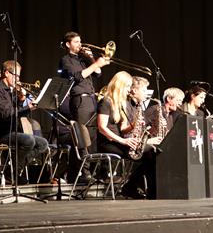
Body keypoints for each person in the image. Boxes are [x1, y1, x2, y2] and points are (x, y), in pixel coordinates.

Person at [0, 60, 48, 184]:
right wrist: (27, 108)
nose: (18, 79)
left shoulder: (8, 90)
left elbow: (13, 109)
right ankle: (12, 174)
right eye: (16, 76)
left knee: (43, 144)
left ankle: (11, 171)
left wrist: (21, 99)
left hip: (9, 130)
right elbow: (7, 115)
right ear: (7, 73)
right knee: (29, 140)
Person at [58, 31, 110, 182]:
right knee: (83, 136)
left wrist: (91, 58)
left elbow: (98, 73)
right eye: (76, 42)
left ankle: (79, 173)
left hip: (91, 99)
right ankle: (83, 173)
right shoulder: (66, 60)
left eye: (80, 41)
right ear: (68, 44)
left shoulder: (83, 59)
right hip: (80, 100)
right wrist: (95, 64)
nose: (80, 45)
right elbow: (78, 77)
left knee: (92, 136)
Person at [97, 71, 155, 199]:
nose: (129, 90)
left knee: (152, 153)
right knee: (149, 153)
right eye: (128, 86)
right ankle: (131, 187)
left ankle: (132, 186)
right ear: (120, 85)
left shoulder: (121, 104)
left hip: (118, 141)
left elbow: (123, 130)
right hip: (108, 143)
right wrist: (123, 141)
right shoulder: (105, 102)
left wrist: (133, 125)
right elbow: (102, 128)